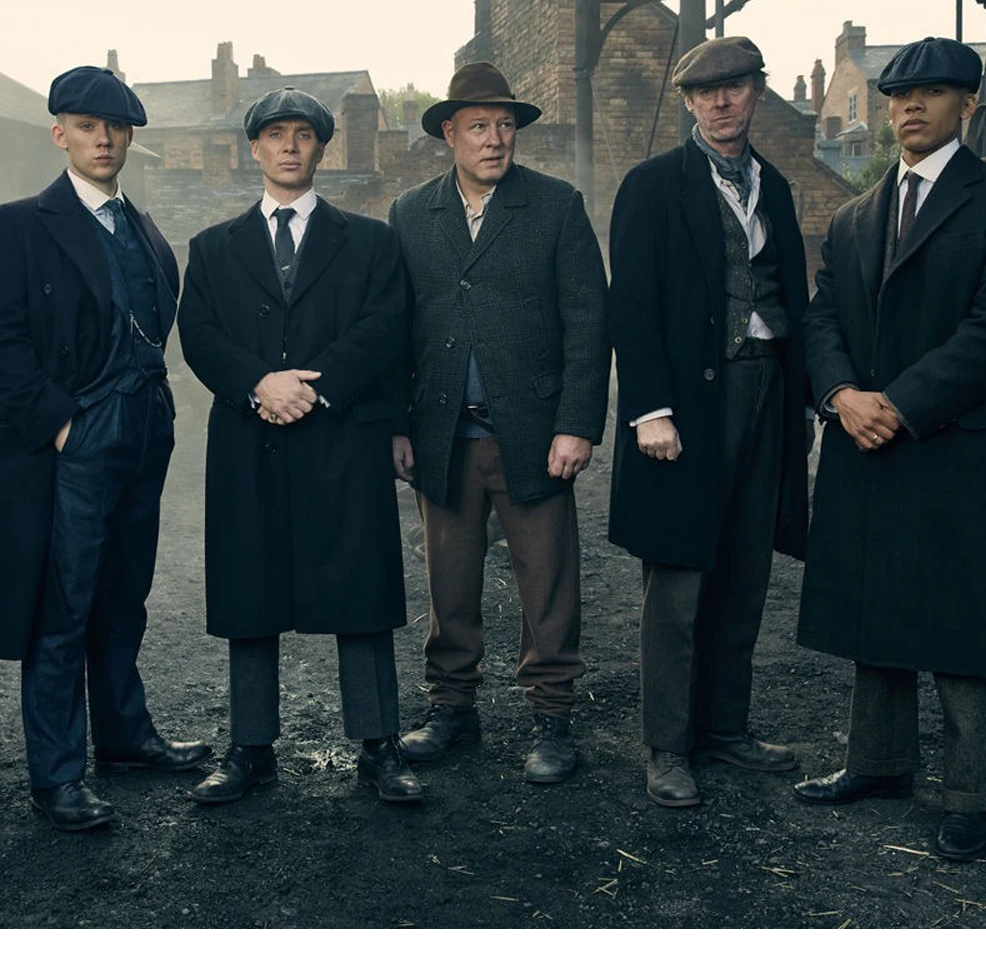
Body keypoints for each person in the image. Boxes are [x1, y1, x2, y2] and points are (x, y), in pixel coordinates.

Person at [178, 87, 421, 806]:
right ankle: (250, 748)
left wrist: (315, 388)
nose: (289, 146)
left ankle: (379, 745)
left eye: (304, 135)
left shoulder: (371, 241)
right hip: (250, 437)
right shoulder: (213, 247)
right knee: (249, 586)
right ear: (254, 147)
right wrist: (258, 384)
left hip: (342, 434)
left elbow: (387, 326)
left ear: (322, 147)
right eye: (275, 135)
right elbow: (199, 336)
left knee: (360, 585)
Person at [794, 38, 986, 861]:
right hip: (864, 435)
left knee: (964, 621)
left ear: (968, 106)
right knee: (874, 601)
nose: (912, 106)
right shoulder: (855, 215)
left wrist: (902, 405)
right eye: (898, 95)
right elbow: (821, 318)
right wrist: (842, 395)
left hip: (955, 442)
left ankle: (972, 795)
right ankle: (878, 763)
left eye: (934, 92)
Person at [0, 66, 211, 832]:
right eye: (88, 127)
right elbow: (4, 342)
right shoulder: (21, 226)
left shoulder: (146, 229)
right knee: (64, 604)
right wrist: (61, 424)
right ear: (60, 134)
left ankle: (123, 737)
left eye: (116, 127)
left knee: (125, 595)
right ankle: (57, 774)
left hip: (144, 428)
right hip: (74, 439)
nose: (104, 139)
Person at [389, 62, 609, 784]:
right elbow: (396, 329)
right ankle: (452, 709)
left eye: (506, 125)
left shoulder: (555, 206)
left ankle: (553, 717)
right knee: (449, 585)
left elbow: (588, 322)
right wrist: (397, 425)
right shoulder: (411, 213)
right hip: (444, 435)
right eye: (479, 126)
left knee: (548, 583)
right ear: (449, 133)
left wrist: (576, 424)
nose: (495, 139)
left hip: (534, 436)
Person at [607, 37, 812, 808]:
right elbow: (632, 306)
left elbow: (791, 296)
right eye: (705, 91)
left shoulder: (776, 186)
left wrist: (806, 397)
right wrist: (650, 409)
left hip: (767, 389)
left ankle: (725, 725)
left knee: (746, 566)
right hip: (688, 405)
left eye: (735, 86)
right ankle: (668, 744)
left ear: (757, 91)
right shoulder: (654, 185)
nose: (721, 102)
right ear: (690, 102)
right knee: (679, 577)